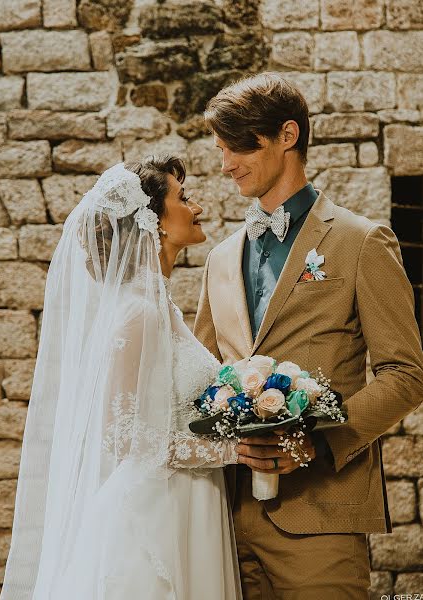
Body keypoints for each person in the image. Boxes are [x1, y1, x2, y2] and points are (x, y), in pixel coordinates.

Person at [194, 72, 423, 600]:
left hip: (323, 515)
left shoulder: (363, 242)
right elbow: (206, 372)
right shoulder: (221, 257)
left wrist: (316, 443)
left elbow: (407, 375)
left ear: (287, 136)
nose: (225, 164)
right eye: (221, 149)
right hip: (228, 521)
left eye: (237, 148)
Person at [0, 157, 242, 600]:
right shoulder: (138, 315)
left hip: (188, 499)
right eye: (183, 198)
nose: (198, 207)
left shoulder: (157, 307)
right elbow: (124, 437)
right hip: (158, 514)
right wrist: (232, 449)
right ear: (155, 223)